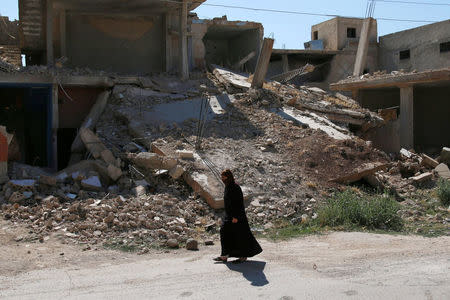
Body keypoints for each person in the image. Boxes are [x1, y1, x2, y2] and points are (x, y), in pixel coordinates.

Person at [214, 169, 262, 263]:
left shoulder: (235, 187)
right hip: (229, 216)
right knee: (225, 232)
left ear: (228, 177)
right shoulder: (228, 186)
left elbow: (238, 203)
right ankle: (224, 255)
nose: (222, 179)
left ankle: (243, 256)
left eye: (223, 177)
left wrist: (236, 217)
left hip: (237, 217)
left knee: (240, 235)